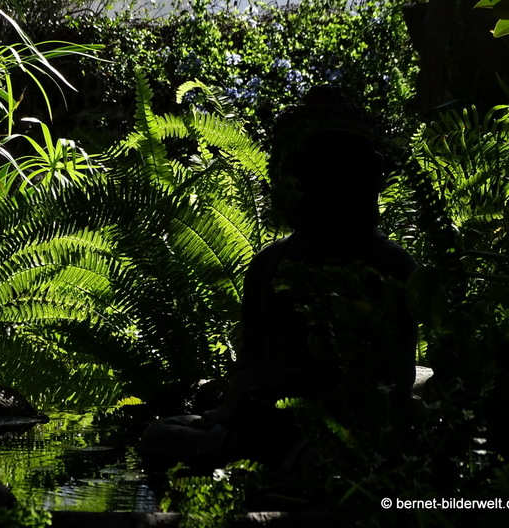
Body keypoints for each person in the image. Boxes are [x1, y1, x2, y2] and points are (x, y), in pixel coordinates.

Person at [140, 86, 417, 466]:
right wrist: (251, 399)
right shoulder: (270, 263)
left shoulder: (389, 268)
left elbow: (390, 381)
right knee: (160, 434)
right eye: (286, 175)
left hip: (337, 430)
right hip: (263, 420)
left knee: (328, 458)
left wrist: (303, 412)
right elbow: (253, 360)